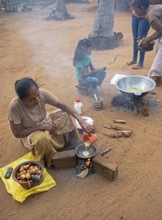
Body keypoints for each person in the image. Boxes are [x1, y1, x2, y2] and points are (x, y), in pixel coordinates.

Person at [8, 78, 95, 168]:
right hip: (30, 132)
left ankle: (73, 142)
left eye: (38, 95)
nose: (37, 100)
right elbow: (17, 133)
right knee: (42, 139)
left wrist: (82, 121)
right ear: (22, 100)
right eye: (32, 99)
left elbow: (65, 106)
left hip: (45, 122)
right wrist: (40, 127)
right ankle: (51, 160)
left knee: (64, 114)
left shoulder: (42, 93)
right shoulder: (15, 106)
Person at [132, 0, 162, 85]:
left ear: (142, 8)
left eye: (136, 9)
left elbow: (161, 30)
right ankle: (158, 78)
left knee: (159, 59)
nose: (135, 12)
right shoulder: (153, 9)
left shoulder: (151, 14)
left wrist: (148, 39)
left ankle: (154, 78)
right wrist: (150, 38)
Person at [127, 0, 150, 69]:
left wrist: (147, 13)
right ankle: (134, 59)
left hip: (145, 17)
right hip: (135, 16)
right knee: (135, 38)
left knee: (142, 39)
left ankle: (140, 63)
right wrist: (132, 9)